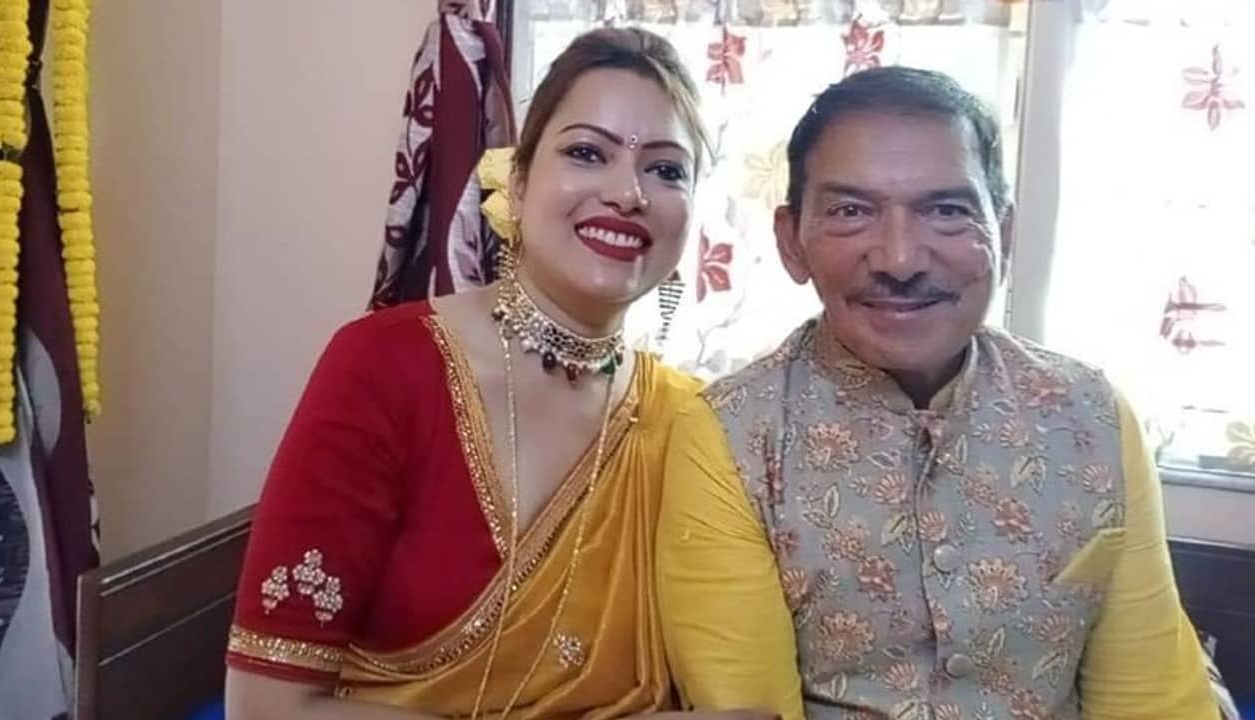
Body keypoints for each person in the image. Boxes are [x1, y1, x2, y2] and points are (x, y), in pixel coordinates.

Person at [656, 67, 1221, 720]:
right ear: (791, 242)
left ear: (1004, 231)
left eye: (947, 211)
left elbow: (1153, 699)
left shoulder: (1093, 416)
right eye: (850, 212)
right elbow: (750, 712)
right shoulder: (730, 435)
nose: (900, 259)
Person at [225, 27, 754, 720]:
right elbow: (268, 708)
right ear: (520, 181)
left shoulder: (686, 419)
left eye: (666, 170)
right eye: (587, 153)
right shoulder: (383, 367)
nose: (629, 193)